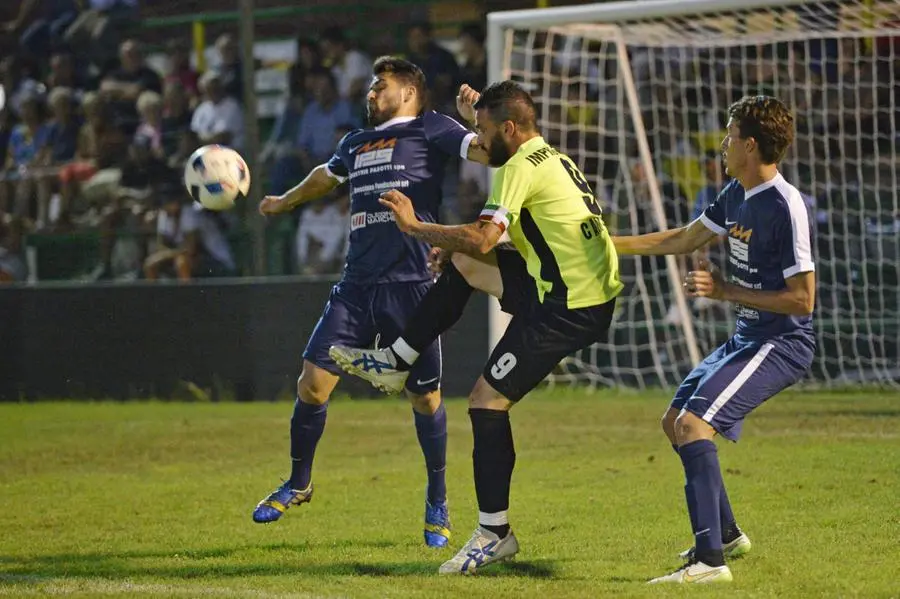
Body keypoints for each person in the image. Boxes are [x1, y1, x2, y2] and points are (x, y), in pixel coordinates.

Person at [329, 81, 623, 574]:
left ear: (509, 128)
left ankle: (494, 533)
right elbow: (492, 236)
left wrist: (416, 227)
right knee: (463, 263)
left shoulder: (516, 169)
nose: (479, 140)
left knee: (486, 402)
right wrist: (461, 241)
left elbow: (485, 235)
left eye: (485, 131)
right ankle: (396, 360)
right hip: (565, 284)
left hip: (569, 306)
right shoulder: (546, 156)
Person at [252, 57, 490, 549]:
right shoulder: (354, 142)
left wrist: (474, 121)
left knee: (424, 398)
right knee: (313, 385)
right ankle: (299, 483)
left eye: (379, 85)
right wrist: (284, 202)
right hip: (356, 287)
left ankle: (438, 498)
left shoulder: (431, 127)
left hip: (413, 285)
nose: (370, 92)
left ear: (407, 91)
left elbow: (487, 154)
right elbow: (325, 175)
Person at [613, 96, 814, 584]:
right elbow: (683, 238)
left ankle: (709, 564)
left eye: (728, 136)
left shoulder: (785, 207)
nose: (721, 144)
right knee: (673, 422)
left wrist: (725, 291)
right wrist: (604, 244)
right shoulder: (736, 192)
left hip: (781, 342)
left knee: (693, 424)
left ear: (749, 145)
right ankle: (724, 534)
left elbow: (803, 300)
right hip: (748, 336)